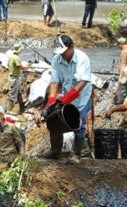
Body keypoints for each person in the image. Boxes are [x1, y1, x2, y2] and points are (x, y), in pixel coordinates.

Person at [35, 35, 92, 164]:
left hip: (82, 97)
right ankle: (55, 150)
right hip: (67, 97)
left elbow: (82, 83)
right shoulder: (56, 60)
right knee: (53, 118)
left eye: (64, 52)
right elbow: (55, 83)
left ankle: (77, 154)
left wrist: (66, 98)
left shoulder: (82, 59)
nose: (62, 55)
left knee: (79, 122)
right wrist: (50, 103)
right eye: (60, 53)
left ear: (72, 47)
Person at [5, 43, 33, 113]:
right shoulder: (16, 57)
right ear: (19, 50)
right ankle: (8, 111)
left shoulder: (11, 57)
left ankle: (22, 107)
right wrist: (29, 67)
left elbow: (8, 65)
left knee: (19, 93)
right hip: (15, 78)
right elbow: (21, 67)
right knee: (12, 96)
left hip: (14, 77)